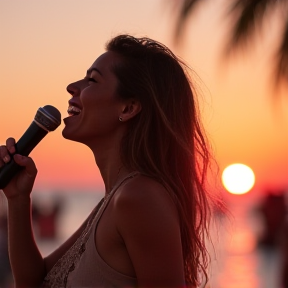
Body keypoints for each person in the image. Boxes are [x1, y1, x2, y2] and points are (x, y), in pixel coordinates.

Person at [0, 34, 216, 288]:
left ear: (127, 108)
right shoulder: (115, 199)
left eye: (92, 80)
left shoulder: (139, 197)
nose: (72, 86)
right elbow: (32, 283)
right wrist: (17, 199)